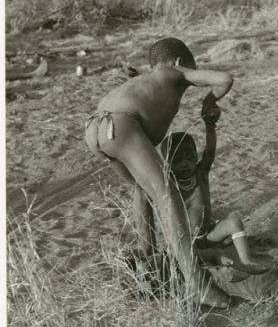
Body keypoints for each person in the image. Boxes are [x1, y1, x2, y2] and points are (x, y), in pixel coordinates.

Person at [84, 37, 233, 308]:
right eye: (189, 68)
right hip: (121, 125)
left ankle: (146, 253)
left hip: (95, 128)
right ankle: (197, 283)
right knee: (168, 195)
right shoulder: (176, 71)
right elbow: (225, 78)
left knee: (142, 189)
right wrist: (208, 102)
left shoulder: (142, 83)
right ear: (178, 62)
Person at [161, 100, 269, 276]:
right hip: (189, 242)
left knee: (234, 220)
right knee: (179, 252)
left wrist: (210, 126)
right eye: (177, 160)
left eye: (189, 157)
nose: (185, 164)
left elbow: (210, 152)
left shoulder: (200, 174)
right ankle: (216, 257)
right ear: (167, 163)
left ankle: (246, 260)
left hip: (210, 234)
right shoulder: (167, 182)